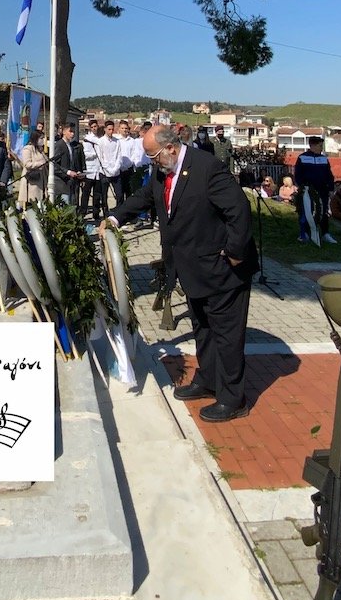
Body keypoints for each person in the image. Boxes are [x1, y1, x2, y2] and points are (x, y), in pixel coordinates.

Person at [101, 124, 259, 423]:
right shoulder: (163, 171)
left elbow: (238, 209)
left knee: (226, 334)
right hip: (193, 267)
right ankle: (209, 379)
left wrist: (235, 254)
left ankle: (232, 398)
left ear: (171, 148)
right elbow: (145, 197)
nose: (152, 162)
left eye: (154, 155)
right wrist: (114, 217)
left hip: (223, 269)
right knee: (203, 326)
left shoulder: (207, 168)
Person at [293, 136, 337, 244]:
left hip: (322, 190)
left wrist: (331, 188)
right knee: (307, 211)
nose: (321, 148)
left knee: (323, 211)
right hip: (308, 190)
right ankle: (305, 234)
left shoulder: (324, 158)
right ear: (312, 145)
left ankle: (325, 233)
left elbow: (329, 175)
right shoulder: (302, 158)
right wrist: (302, 186)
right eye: (320, 145)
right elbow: (298, 174)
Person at [51, 123, 84, 204]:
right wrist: (68, 172)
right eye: (70, 131)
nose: (72, 134)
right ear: (64, 132)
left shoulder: (71, 145)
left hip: (71, 182)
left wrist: (78, 172)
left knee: (73, 204)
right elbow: (54, 165)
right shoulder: (59, 145)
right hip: (62, 183)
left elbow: (73, 162)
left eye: (73, 132)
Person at [16, 129, 48, 208]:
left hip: (42, 179)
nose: (42, 140)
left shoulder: (40, 150)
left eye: (43, 138)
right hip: (32, 181)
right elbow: (27, 164)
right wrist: (39, 164)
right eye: (41, 138)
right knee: (32, 203)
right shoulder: (28, 148)